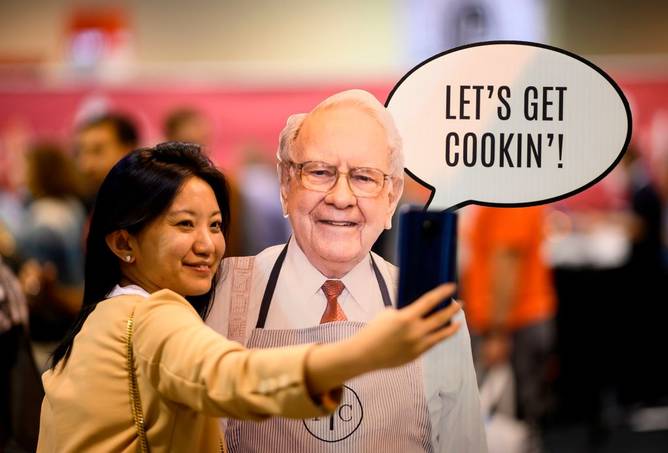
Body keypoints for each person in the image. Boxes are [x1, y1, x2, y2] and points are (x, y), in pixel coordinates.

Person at [37, 142, 463, 452]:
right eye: (185, 225)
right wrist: (367, 352)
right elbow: (231, 375)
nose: (207, 244)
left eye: (216, 225)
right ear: (123, 243)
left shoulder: (97, 322)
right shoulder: (150, 316)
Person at [208, 90, 486, 452]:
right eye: (320, 172)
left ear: (392, 195)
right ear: (285, 183)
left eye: (364, 178)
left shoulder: (433, 312)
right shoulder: (224, 291)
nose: (341, 197)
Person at [74, 112, 139, 209]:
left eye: (97, 151)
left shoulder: (152, 204)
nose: (86, 165)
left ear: (128, 150)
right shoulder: (77, 205)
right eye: (79, 152)